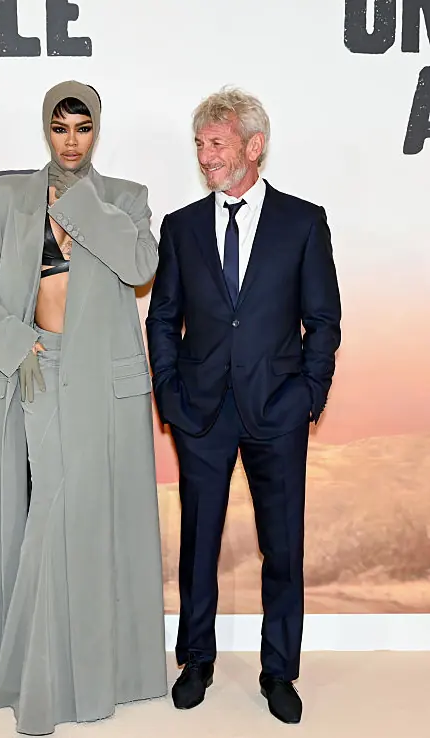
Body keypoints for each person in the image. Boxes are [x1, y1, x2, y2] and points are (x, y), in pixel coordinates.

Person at [0, 80, 167, 735]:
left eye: (82, 127)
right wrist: (17, 345)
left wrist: (83, 207)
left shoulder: (124, 199)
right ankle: (38, 675)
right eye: (59, 127)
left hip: (104, 380)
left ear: (96, 129)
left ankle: (89, 673)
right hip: (36, 367)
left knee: (93, 521)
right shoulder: (7, 195)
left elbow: (140, 266)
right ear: (45, 129)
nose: (70, 140)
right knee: (50, 509)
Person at [145, 87, 341, 725]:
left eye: (216, 144)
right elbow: (163, 318)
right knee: (198, 541)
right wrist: (169, 393)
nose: (205, 157)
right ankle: (195, 662)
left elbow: (323, 321)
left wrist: (307, 396)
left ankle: (279, 670)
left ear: (254, 147)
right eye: (200, 145)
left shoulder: (303, 222)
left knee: (282, 549)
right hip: (200, 413)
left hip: (277, 410)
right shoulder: (180, 227)